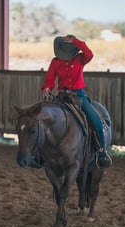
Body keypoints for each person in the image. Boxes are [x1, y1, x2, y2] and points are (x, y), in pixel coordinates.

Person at [41, 35, 112, 168]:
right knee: (45, 119)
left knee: (95, 119)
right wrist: (46, 87)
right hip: (61, 95)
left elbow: (89, 54)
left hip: (79, 96)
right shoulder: (55, 61)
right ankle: (42, 153)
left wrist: (76, 41)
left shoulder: (80, 58)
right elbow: (50, 78)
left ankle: (101, 152)